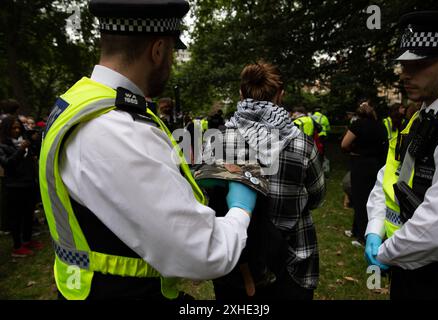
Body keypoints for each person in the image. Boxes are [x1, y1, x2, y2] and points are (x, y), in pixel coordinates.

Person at [39, 0, 258, 300]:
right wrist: (241, 210)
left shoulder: (80, 100)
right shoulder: (116, 128)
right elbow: (206, 253)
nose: (171, 62)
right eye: (171, 52)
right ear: (157, 51)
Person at [206, 61, 326, 300]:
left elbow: (207, 197)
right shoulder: (302, 144)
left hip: (235, 262)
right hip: (292, 263)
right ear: (280, 96)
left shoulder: (216, 141)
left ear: (241, 94)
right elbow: (316, 197)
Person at [365, 11, 438, 300]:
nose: (405, 74)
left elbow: (437, 230)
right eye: (403, 64)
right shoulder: (421, 117)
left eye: (420, 64)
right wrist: (375, 228)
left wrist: (386, 253)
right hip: (406, 259)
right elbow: (388, 175)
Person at [341, 101, 388, 246]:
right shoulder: (381, 126)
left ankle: (362, 236)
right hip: (376, 164)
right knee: (371, 198)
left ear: (358, 114)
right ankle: (356, 230)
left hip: (360, 164)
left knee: (360, 200)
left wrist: (353, 150)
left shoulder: (358, 125)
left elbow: (344, 144)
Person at [0, 115, 42, 257]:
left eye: (18, 127)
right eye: (13, 128)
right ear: (6, 130)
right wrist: (20, 150)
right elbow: (8, 164)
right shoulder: (3, 145)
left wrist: (34, 141)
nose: (17, 130)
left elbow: (35, 154)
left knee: (29, 213)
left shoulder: (25, 141)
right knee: (16, 217)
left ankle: (27, 240)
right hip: (14, 186)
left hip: (29, 182)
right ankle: (17, 247)